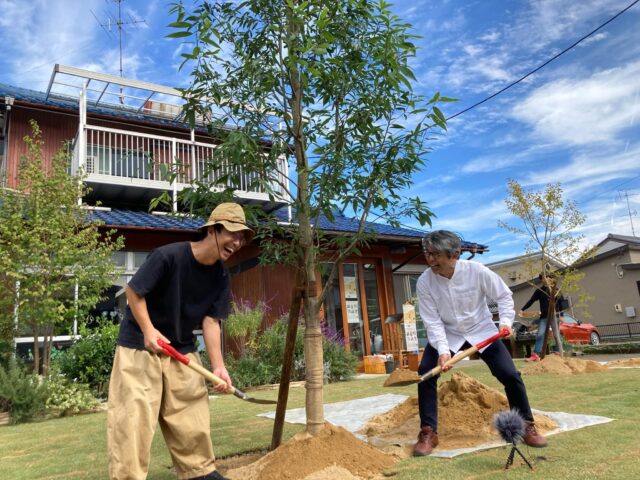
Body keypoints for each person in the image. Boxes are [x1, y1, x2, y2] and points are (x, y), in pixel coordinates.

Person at [107, 203, 254, 480]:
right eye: (232, 234)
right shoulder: (169, 256)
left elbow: (211, 322)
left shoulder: (221, 276)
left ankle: (200, 472)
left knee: (191, 414)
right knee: (132, 420)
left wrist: (219, 367)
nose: (237, 242)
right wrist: (149, 331)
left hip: (180, 349)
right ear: (213, 230)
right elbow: (133, 293)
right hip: (140, 346)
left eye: (242, 237)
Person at [413, 230, 547, 456]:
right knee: (426, 372)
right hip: (448, 333)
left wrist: (505, 322)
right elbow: (432, 320)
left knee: (510, 375)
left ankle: (526, 425)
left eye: (436, 254)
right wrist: (443, 351)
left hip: (481, 331)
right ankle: (428, 432)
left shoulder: (477, 271)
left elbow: (504, 296)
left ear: (454, 255)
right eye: (427, 253)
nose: (430, 259)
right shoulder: (425, 281)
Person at [519, 274, 564, 362]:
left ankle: (558, 352)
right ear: (541, 280)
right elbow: (531, 300)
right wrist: (522, 309)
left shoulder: (556, 290)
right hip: (544, 317)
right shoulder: (539, 291)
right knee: (540, 334)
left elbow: (561, 303)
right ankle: (536, 355)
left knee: (556, 335)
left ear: (550, 279)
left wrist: (561, 315)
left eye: (546, 277)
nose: (545, 279)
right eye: (543, 278)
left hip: (555, 317)